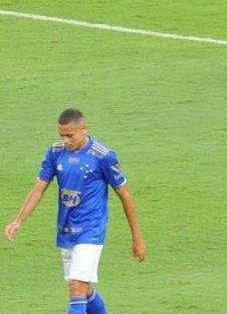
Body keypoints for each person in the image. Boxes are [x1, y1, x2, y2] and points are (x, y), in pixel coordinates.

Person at [5, 109, 147, 314]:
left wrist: (137, 237)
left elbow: (125, 195)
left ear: (84, 130)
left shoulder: (103, 156)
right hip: (66, 229)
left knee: (76, 286)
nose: (65, 140)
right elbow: (39, 187)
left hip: (91, 230)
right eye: (61, 135)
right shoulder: (55, 152)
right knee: (85, 289)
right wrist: (18, 221)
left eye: (69, 135)